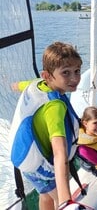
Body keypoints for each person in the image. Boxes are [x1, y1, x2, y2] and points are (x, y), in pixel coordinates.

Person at [9, 42, 84, 210]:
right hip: (38, 167)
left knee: (45, 194)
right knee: (57, 198)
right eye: (66, 73)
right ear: (47, 76)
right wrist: (66, 200)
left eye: (77, 71)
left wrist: (12, 85)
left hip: (27, 162)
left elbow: (22, 85)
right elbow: (59, 153)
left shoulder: (37, 83)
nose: (74, 78)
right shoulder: (54, 107)